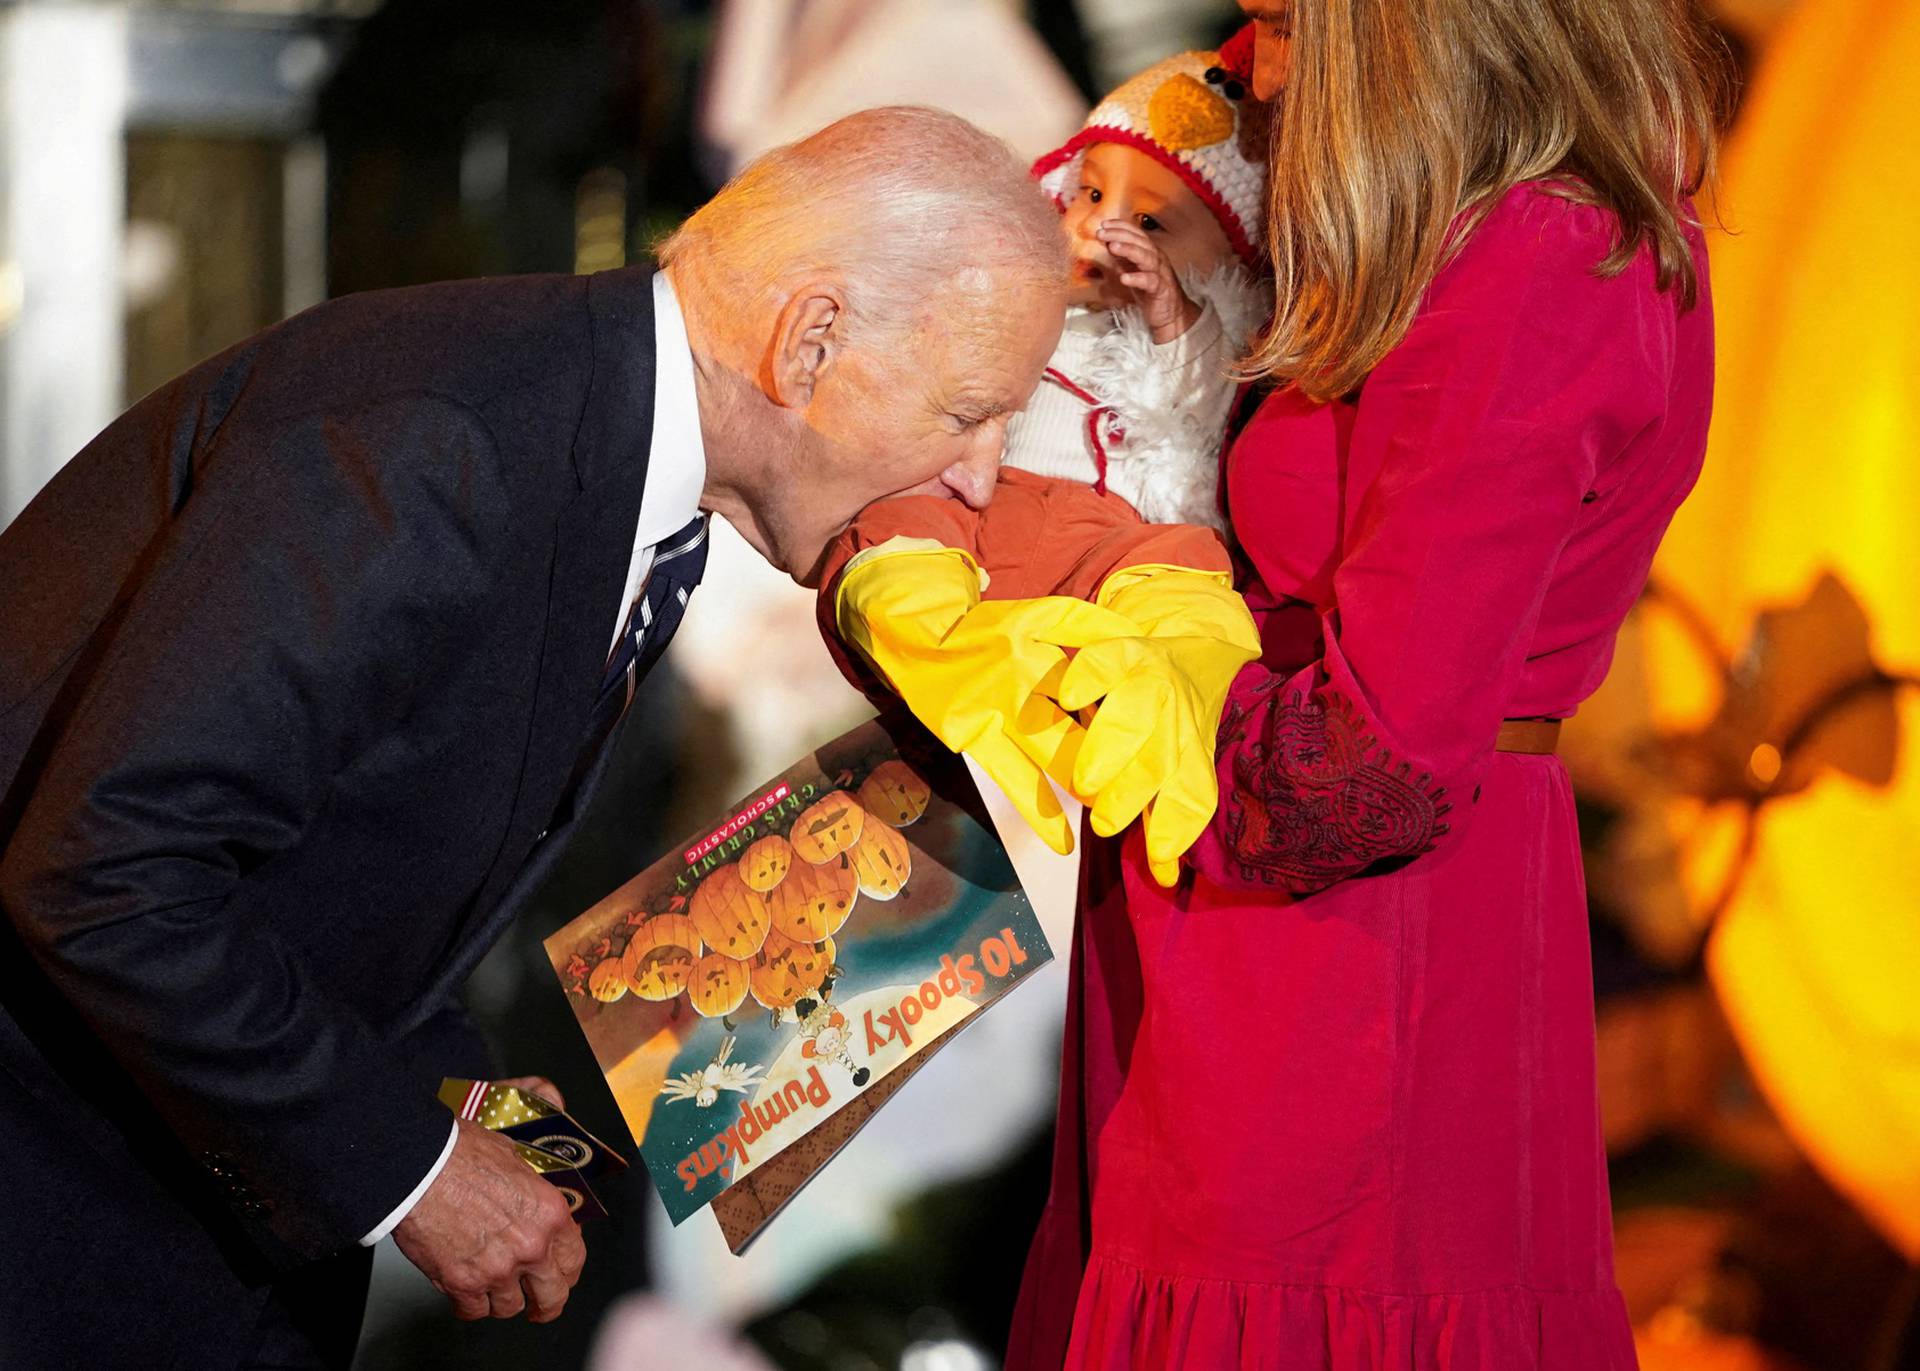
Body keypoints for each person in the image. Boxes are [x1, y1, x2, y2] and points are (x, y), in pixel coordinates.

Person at [0, 106, 1066, 1369]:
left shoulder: (599, 437)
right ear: (811, 338)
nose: (983, 476)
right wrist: (412, 1170)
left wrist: (460, 1098)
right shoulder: (435, 443)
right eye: (968, 412)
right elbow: (108, 872)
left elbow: (349, 847)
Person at [994, 0, 1730, 1365]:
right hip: (1240, 908)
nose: (1238, 63)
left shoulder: (1540, 256)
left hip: (1349, 961)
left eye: (1277, 23)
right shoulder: (1436, 229)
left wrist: (1085, 615)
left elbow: (1363, 778)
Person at [818, 35, 1273, 867]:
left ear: (1229, 260)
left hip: (1102, 546)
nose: (1103, 229)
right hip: (982, 505)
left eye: (1150, 221)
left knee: (1186, 569)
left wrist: (1173, 319)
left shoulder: (1212, 345)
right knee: (900, 527)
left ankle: (1172, 687)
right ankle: (929, 630)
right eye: (1090, 194)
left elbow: (1196, 428)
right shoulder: (1029, 307)